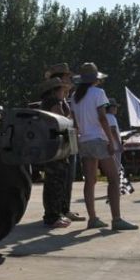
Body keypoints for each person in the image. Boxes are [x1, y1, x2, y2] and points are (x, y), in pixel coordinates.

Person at [69, 62, 137, 231]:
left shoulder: (75, 97)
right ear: (95, 79)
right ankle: (116, 219)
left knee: (90, 181)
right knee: (114, 178)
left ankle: (92, 218)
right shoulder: (98, 93)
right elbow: (102, 118)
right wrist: (111, 141)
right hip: (98, 139)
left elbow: (75, 123)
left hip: (83, 140)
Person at [44, 63, 83, 222]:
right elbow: (61, 120)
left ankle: (63, 209)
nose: (71, 80)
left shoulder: (64, 98)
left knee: (66, 178)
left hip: (67, 142)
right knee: (56, 179)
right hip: (57, 144)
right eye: (68, 77)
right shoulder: (54, 99)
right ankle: (54, 213)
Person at [36, 77, 72, 228]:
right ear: (55, 90)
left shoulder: (49, 101)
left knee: (54, 180)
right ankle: (52, 216)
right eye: (62, 90)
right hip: (54, 146)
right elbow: (62, 119)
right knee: (55, 181)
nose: (64, 92)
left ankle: (55, 214)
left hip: (51, 145)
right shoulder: (53, 102)